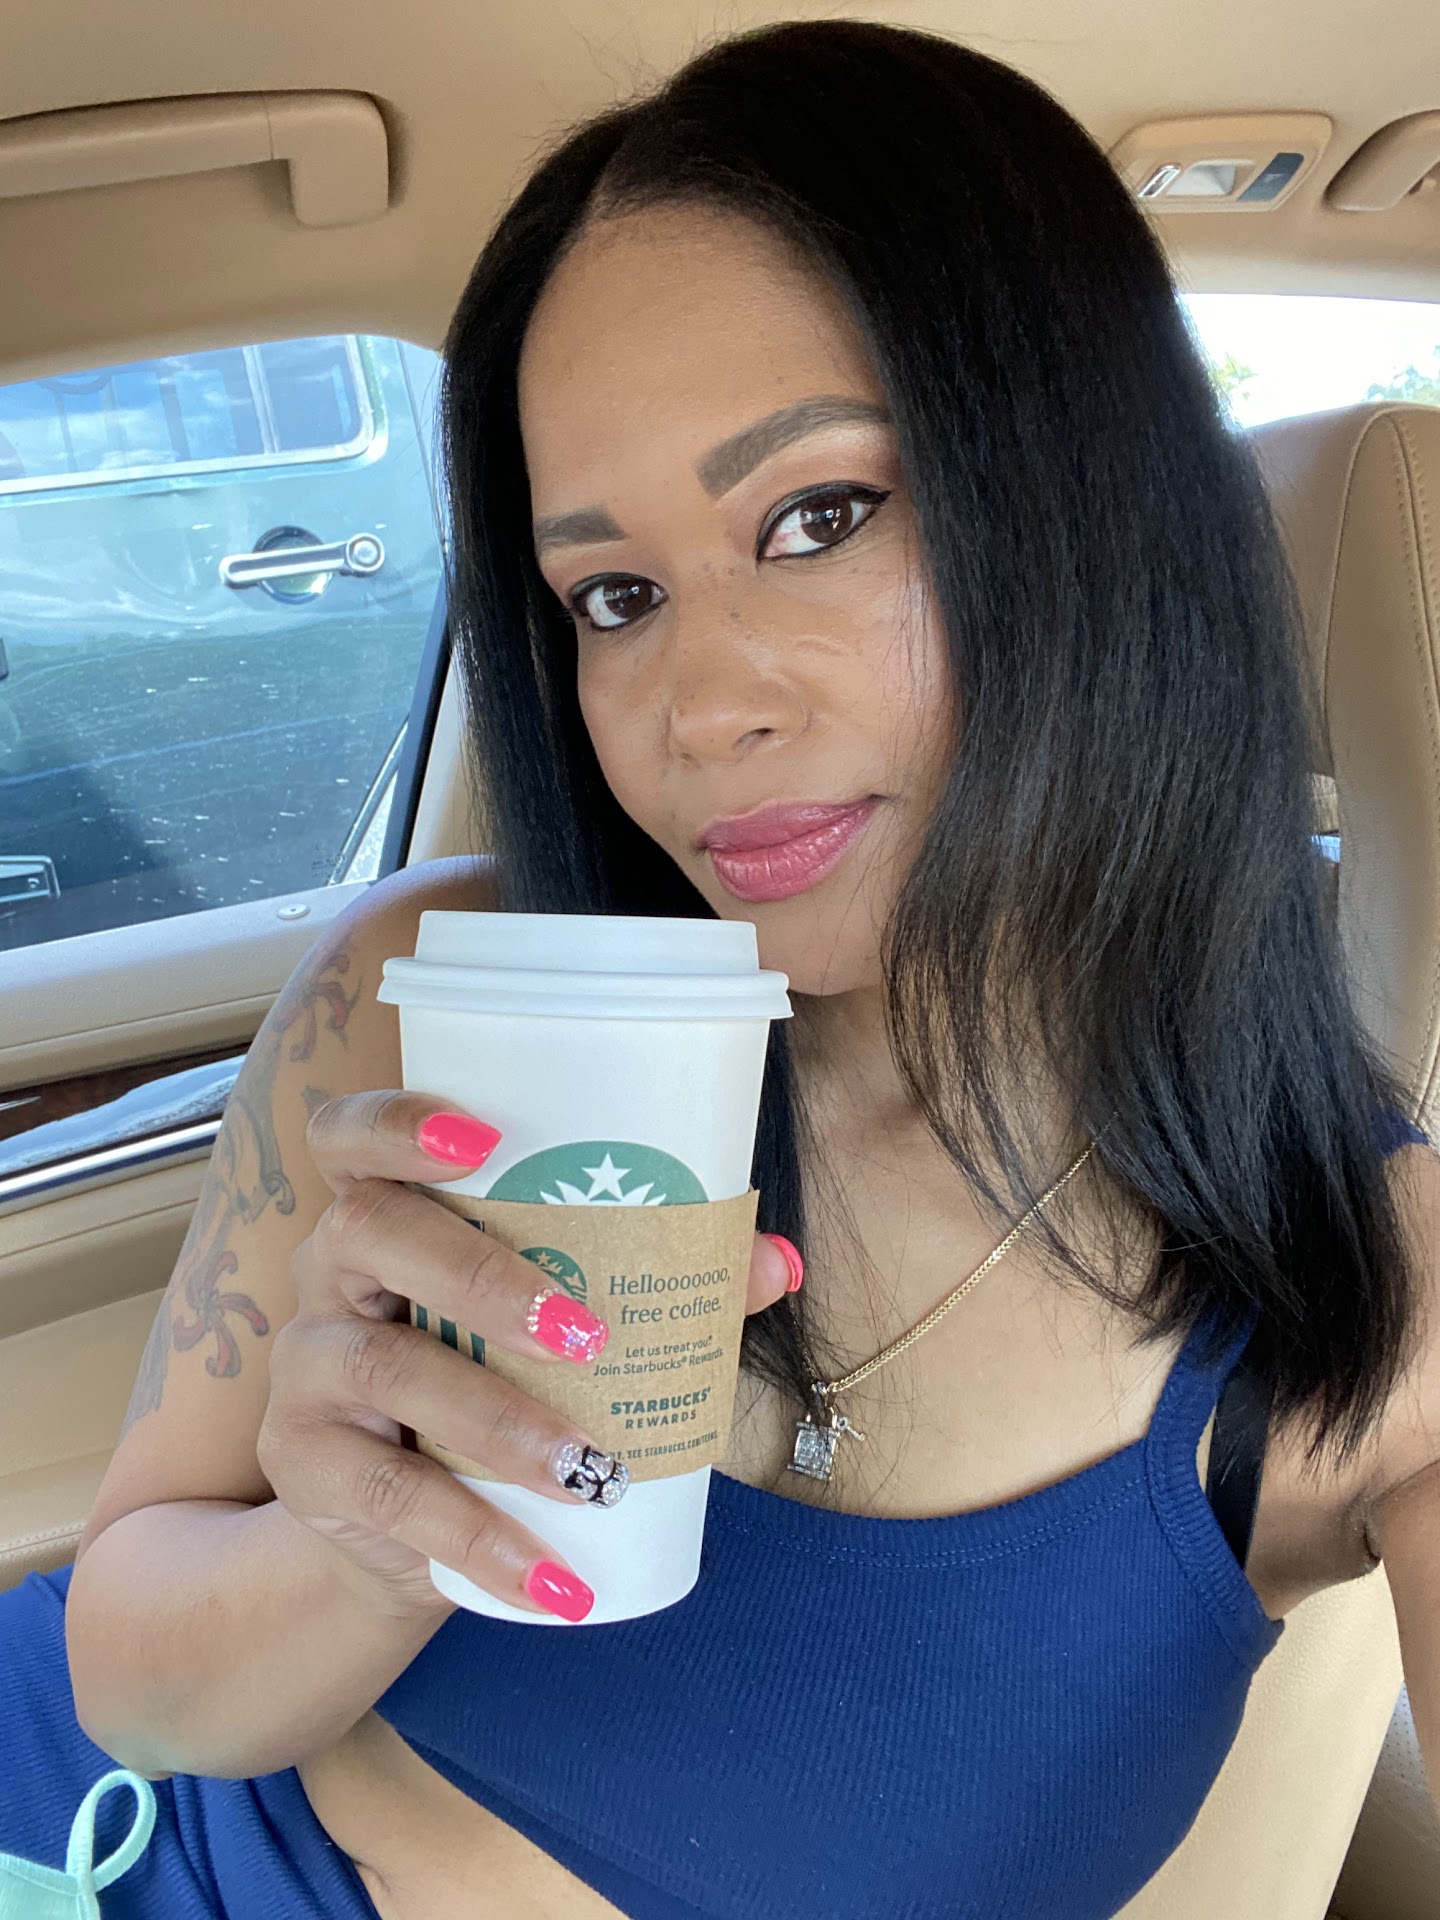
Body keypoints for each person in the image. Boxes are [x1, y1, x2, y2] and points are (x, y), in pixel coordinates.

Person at [3, 17, 1439, 1920]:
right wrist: (355, 1536)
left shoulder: (1377, 1300)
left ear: (1095, 503)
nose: (696, 711)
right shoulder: (432, 983)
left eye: (819, 518)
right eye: (615, 596)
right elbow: (130, 1681)